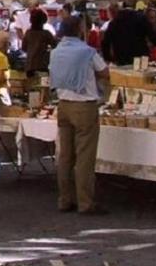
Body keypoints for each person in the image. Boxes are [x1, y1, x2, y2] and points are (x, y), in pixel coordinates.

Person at [48, 15, 111, 214]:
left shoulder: (56, 52)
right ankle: (85, 202)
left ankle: (64, 199)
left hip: (64, 104)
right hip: (84, 105)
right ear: (78, 30)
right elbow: (104, 72)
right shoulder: (87, 52)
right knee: (85, 156)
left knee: (65, 155)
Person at [22, 8, 56, 74]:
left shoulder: (28, 33)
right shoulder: (46, 34)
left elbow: (24, 48)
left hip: (30, 65)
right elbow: (55, 46)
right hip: (43, 65)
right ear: (43, 21)